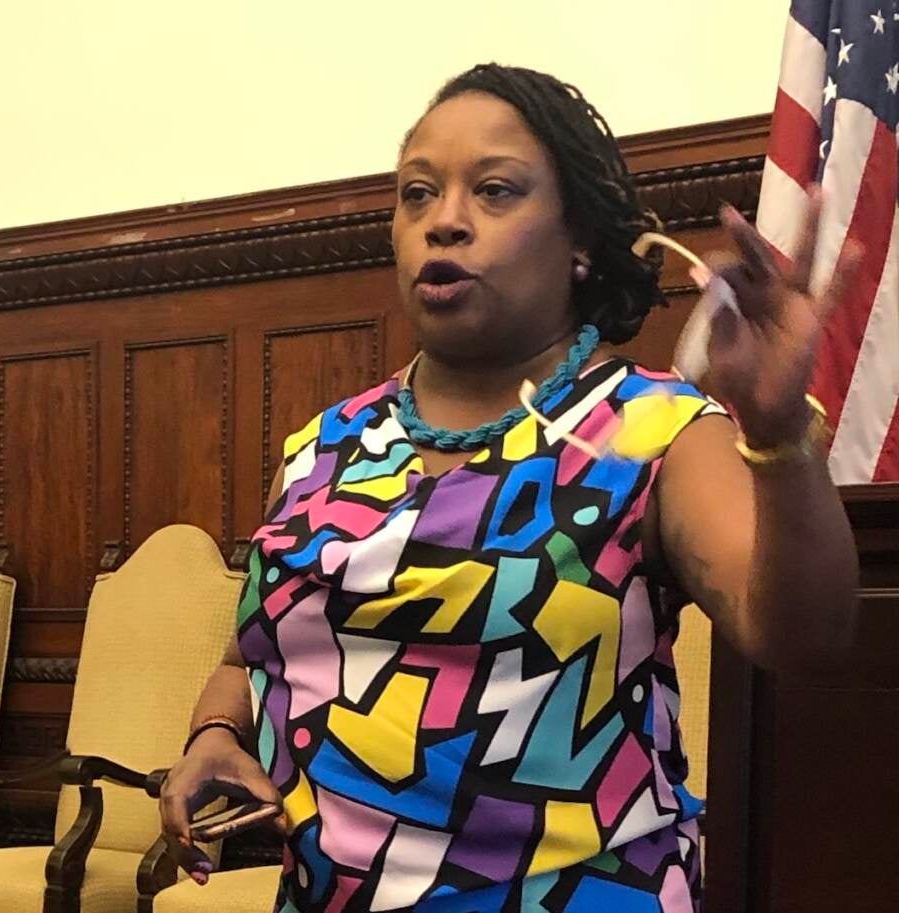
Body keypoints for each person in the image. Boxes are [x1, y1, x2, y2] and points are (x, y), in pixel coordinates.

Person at [159, 63, 861, 912]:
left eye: (494, 191)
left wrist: (780, 436)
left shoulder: (648, 428)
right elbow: (253, 648)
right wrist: (214, 732)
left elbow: (805, 633)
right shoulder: (327, 447)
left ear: (579, 244)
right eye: (417, 194)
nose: (444, 222)